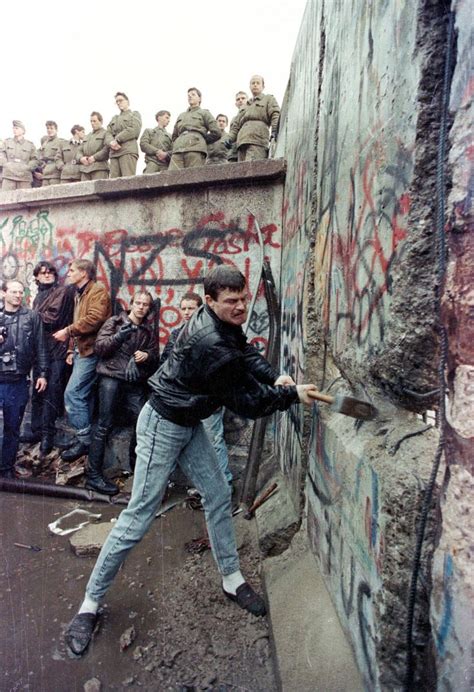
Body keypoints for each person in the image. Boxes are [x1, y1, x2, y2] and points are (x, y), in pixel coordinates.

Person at [64, 265, 317, 656]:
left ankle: (231, 578)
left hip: (189, 419)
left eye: (243, 298)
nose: (240, 307)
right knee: (137, 518)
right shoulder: (208, 340)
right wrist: (291, 395)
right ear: (212, 300)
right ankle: (89, 604)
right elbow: (248, 403)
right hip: (163, 424)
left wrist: (275, 377)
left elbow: (244, 353)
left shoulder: (221, 322)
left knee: (218, 495)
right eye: (231, 301)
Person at [85, 291, 158, 495]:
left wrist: (146, 356)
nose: (141, 307)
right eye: (138, 303)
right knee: (104, 424)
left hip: (133, 382)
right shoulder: (115, 322)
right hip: (111, 378)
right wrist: (119, 336)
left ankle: (137, 473)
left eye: (145, 304)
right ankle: (93, 476)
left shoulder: (147, 330)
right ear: (131, 304)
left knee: (143, 422)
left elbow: (155, 355)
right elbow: (99, 348)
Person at [160, 291, 232, 484]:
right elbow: (165, 363)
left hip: (206, 398)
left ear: (201, 309)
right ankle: (165, 484)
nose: (186, 312)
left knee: (213, 441)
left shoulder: (214, 332)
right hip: (182, 398)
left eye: (190, 308)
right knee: (173, 440)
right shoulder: (177, 334)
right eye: (183, 308)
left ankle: (224, 484)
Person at [53, 259, 111, 462]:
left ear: (84, 273)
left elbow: (94, 319)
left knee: (73, 394)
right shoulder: (80, 292)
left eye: (72, 270)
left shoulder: (97, 291)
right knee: (82, 396)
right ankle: (82, 438)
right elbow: (79, 321)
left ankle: (85, 442)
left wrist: (67, 332)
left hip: (91, 352)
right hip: (81, 351)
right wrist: (71, 349)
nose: (68, 273)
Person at [21, 261, 75, 456]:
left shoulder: (61, 292)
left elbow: (54, 317)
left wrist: (29, 316)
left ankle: (47, 435)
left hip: (57, 349)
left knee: (52, 392)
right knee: (37, 392)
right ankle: (36, 431)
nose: (47, 275)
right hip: (39, 350)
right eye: (42, 273)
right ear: (36, 277)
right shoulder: (38, 296)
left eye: (50, 272)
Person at [0, 280, 48, 478]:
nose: (18, 296)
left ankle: (6, 469)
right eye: (13, 292)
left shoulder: (32, 317)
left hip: (17, 380)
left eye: (20, 292)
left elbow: (40, 347)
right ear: (3, 293)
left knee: (12, 427)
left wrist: (42, 374)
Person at [226, 76, 280, 162]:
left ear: (263, 86)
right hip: (242, 142)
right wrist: (229, 139)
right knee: (242, 171)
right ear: (250, 86)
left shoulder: (268, 99)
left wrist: (274, 130)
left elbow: (275, 114)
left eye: (258, 83)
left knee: (253, 169)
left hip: (257, 140)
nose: (255, 85)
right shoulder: (245, 105)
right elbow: (235, 126)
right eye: (253, 83)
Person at [169, 88, 221, 170]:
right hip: (178, 151)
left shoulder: (204, 113)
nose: (190, 96)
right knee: (172, 178)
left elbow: (216, 132)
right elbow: (174, 136)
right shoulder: (181, 115)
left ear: (199, 98)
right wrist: (179, 143)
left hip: (195, 149)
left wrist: (202, 139)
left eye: (193, 94)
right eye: (188, 95)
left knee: (193, 177)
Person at [107, 92, 142, 178]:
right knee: (113, 184)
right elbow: (107, 133)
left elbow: (134, 130)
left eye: (120, 100)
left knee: (127, 181)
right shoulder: (114, 118)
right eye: (117, 101)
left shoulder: (134, 114)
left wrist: (117, 139)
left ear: (127, 101)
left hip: (127, 151)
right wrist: (111, 142)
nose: (118, 103)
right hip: (114, 153)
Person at [0, 120, 38, 190]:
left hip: (24, 177)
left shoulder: (30, 145)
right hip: (9, 176)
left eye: (17, 128)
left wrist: (28, 167)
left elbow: (34, 159)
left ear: (23, 131)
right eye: (13, 128)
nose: (14, 130)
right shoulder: (7, 142)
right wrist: (6, 164)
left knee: (25, 199)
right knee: (6, 199)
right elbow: (2, 154)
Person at [78, 112, 112, 181]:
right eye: (91, 121)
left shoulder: (106, 133)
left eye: (94, 121)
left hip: (99, 168)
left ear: (101, 121)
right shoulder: (87, 136)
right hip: (85, 170)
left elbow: (107, 148)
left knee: (100, 191)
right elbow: (79, 150)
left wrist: (95, 157)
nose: (92, 123)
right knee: (85, 191)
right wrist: (81, 158)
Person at [35, 121, 63, 186]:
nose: (49, 130)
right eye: (48, 128)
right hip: (45, 173)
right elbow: (38, 156)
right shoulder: (45, 144)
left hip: (55, 173)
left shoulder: (60, 142)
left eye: (51, 128)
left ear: (56, 130)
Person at [228, 92, 248, 163]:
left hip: (245, 147)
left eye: (243, 98)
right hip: (234, 152)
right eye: (238, 99)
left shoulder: (250, 113)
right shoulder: (234, 119)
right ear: (235, 103)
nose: (240, 100)